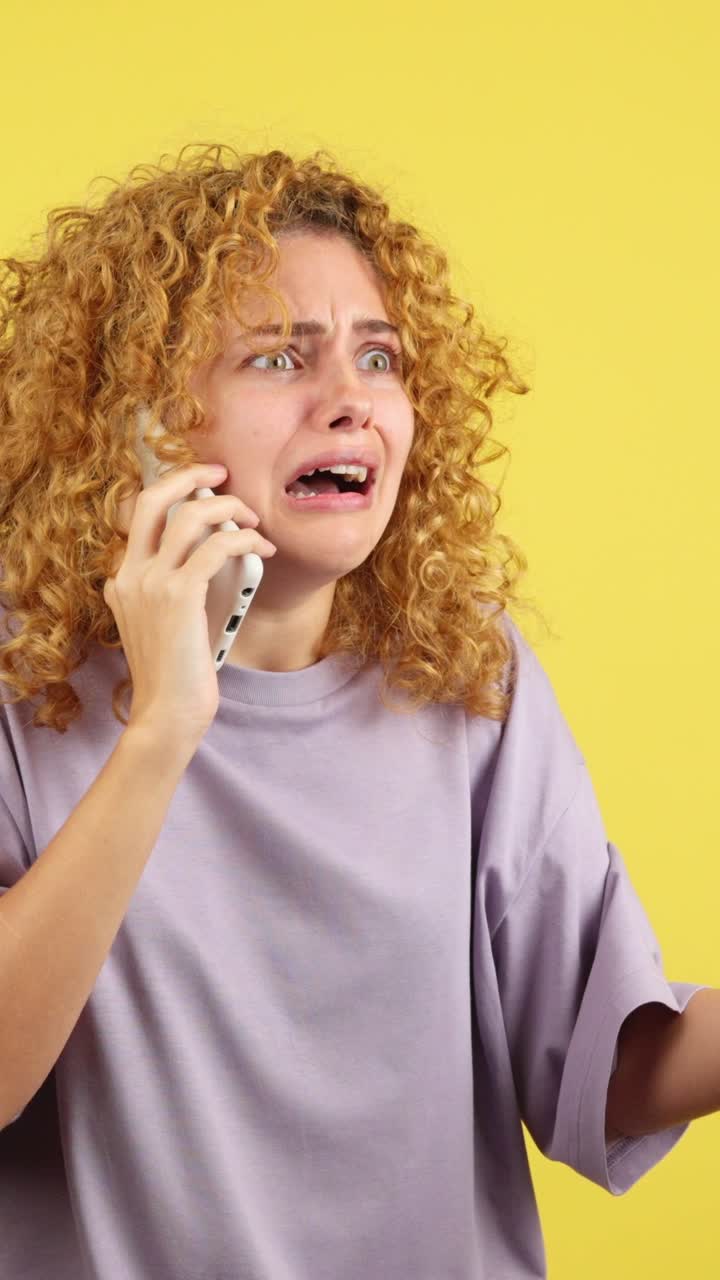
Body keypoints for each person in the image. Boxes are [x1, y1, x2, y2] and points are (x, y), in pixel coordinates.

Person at [0, 142, 707, 1279]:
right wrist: (165, 725)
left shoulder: (466, 671)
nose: (350, 404)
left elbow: (604, 1058)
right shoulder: (17, 675)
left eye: (379, 358)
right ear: (133, 423)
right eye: (279, 357)